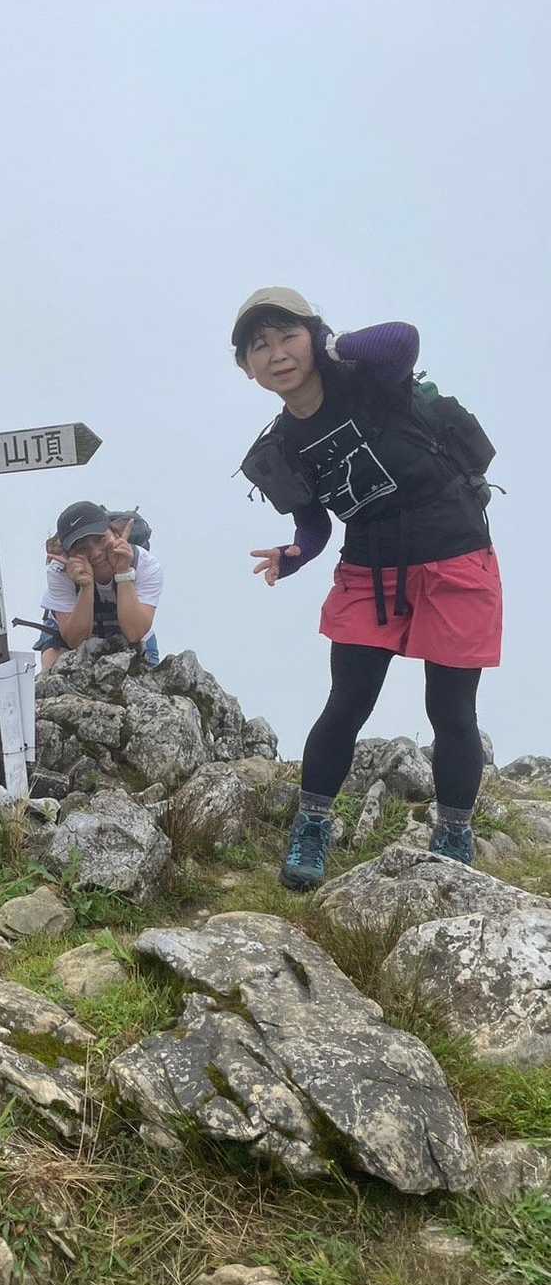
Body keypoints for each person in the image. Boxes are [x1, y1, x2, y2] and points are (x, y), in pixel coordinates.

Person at [233, 287, 502, 889]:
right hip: (370, 567)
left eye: (288, 335)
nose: (277, 354)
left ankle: (453, 835)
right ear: (247, 368)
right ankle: (312, 826)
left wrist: (332, 343)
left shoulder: (371, 380)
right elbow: (314, 522)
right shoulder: (281, 448)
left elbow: (403, 338)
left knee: (451, 709)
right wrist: (296, 553)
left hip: (454, 553)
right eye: (260, 346)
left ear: (313, 337)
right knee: (347, 702)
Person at [35, 501, 163, 670]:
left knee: (148, 677)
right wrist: (86, 587)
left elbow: (134, 633)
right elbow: (75, 640)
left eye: (100, 539)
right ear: (67, 554)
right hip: (67, 630)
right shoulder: (60, 571)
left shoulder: (144, 564)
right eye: (82, 548)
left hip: (129, 628)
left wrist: (123, 573)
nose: (95, 553)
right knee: (54, 676)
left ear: (114, 532)